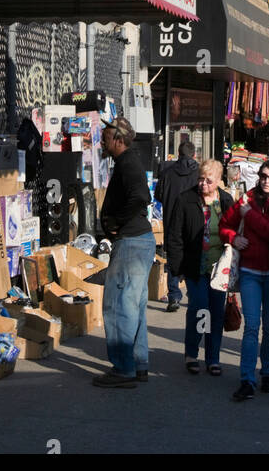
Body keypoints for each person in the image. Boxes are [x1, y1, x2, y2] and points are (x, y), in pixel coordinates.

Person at [220, 159, 269, 401]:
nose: (266, 181)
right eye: (263, 176)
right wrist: (232, 237)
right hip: (250, 271)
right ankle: (247, 379)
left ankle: (268, 373)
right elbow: (224, 225)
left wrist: (249, 216)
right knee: (251, 326)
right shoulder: (247, 198)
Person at [93, 117, 155, 388]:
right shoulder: (127, 162)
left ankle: (123, 369)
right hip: (137, 241)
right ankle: (137, 364)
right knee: (134, 307)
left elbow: (141, 196)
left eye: (106, 136)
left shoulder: (128, 162)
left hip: (132, 242)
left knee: (119, 306)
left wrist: (117, 222)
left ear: (118, 139)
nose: (102, 141)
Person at [167, 158, 233, 375]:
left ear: (219, 181)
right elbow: (175, 236)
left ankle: (213, 358)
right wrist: (177, 269)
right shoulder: (186, 200)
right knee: (200, 309)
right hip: (195, 266)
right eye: (201, 179)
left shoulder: (226, 201)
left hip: (219, 270)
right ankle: (192, 353)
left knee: (216, 313)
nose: (203, 184)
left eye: (209, 180)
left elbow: (235, 231)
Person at [154, 139, 199, 311]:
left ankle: (174, 296)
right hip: (193, 221)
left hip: (172, 220)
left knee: (173, 257)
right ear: (194, 155)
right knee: (194, 256)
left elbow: (158, 195)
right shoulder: (198, 174)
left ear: (178, 154)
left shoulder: (167, 172)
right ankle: (194, 295)